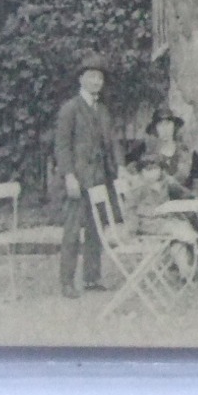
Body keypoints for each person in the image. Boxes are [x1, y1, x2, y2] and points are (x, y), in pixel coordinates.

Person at [54, 52, 122, 298]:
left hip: (99, 179)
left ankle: (92, 278)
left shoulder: (102, 110)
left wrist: (120, 168)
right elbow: (62, 146)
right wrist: (69, 176)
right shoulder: (70, 109)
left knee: (95, 230)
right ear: (81, 79)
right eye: (91, 77)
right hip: (78, 180)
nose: (96, 82)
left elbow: (112, 141)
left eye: (100, 78)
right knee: (73, 231)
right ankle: (66, 282)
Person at [116, 153, 198, 281]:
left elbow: (183, 192)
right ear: (141, 172)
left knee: (177, 237)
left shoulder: (165, 183)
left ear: (161, 170)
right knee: (176, 228)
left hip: (164, 220)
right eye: (147, 170)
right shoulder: (139, 187)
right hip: (148, 222)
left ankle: (185, 271)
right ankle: (193, 239)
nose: (152, 173)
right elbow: (130, 209)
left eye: (155, 169)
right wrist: (131, 229)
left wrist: (190, 194)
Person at [144, 105, 198, 191]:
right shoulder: (149, 157)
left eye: (168, 124)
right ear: (155, 129)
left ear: (174, 126)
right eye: (160, 125)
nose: (165, 128)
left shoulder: (189, 154)